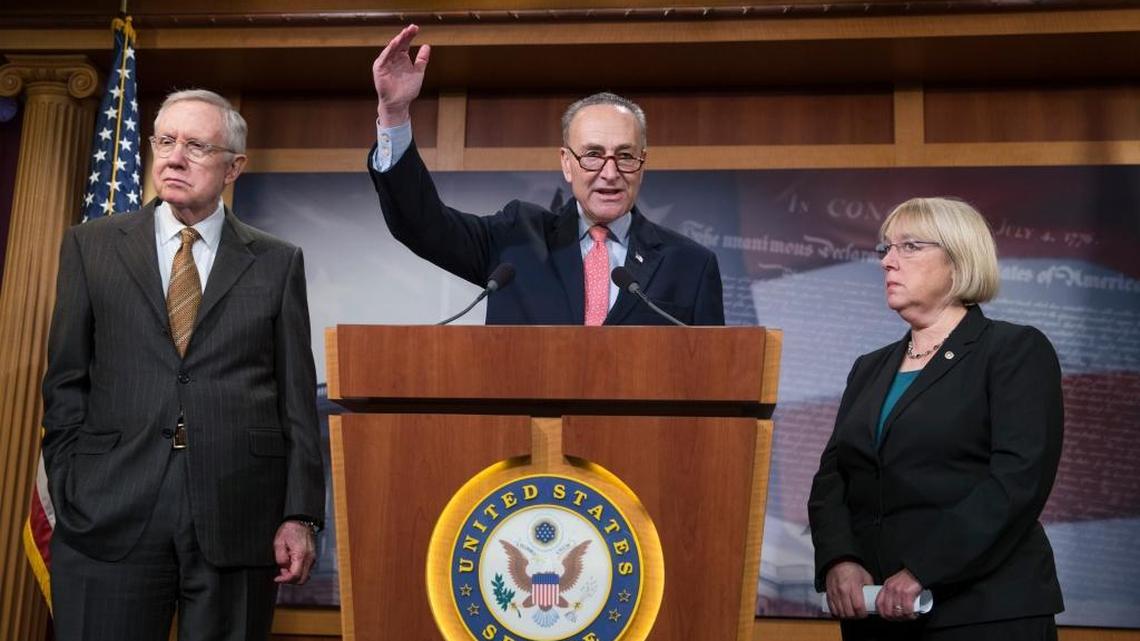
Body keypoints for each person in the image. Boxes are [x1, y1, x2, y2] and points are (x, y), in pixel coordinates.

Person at [41, 89, 325, 641]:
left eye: (196, 146)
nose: (174, 157)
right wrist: (72, 483)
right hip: (108, 507)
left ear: (233, 168)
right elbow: (66, 380)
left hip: (236, 514)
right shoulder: (91, 246)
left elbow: (295, 401)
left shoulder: (276, 262)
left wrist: (300, 515)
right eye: (166, 141)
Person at [808, 197, 1064, 640]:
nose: (888, 262)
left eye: (909, 247)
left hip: (984, 614)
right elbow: (832, 478)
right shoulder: (870, 367)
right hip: (877, 615)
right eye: (885, 249)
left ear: (958, 260)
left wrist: (924, 570)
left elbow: (1016, 482)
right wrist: (839, 560)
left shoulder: (1013, 351)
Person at [368, 24, 724, 325]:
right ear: (566, 163)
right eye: (593, 156)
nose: (610, 172)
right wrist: (395, 114)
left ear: (643, 164)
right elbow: (421, 224)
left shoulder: (690, 265)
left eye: (626, 156)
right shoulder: (516, 238)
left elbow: (715, 383)